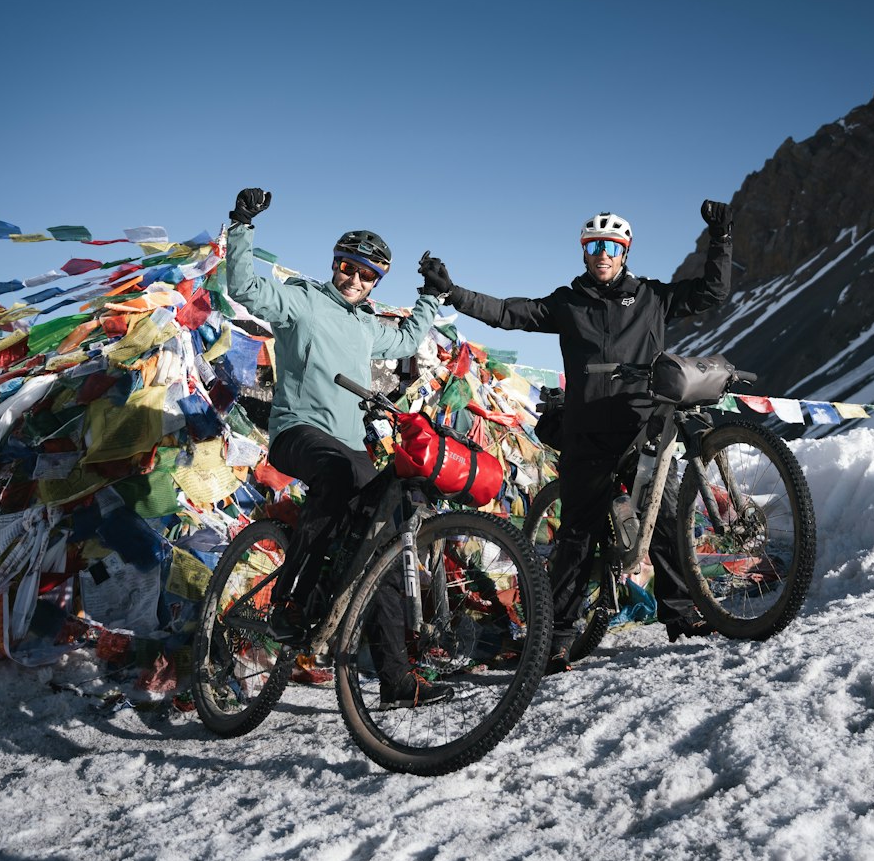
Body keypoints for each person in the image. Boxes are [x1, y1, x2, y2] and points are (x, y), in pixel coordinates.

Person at [418, 201, 733, 672]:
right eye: (593, 247)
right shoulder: (567, 302)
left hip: (641, 425)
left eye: (611, 246)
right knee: (578, 537)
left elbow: (712, 292)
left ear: (624, 252)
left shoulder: (651, 297)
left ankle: (681, 613)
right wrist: (453, 293)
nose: (602, 254)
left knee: (664, 515)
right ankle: (558, 637)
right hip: (587, 432)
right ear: (584, 253)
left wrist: (721, 239)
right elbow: (507, 312)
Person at [225, 187, 452, 708]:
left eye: (367, 275)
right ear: (335, 263)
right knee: (335, 475)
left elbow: (408, 339)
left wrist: (432, 295)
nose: (354, 280)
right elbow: (243, 285)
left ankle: (397, 682)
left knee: (385, 543)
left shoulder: (367, 326)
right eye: (347, 267)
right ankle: (288, 600)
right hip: (297, 431)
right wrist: (241, 225)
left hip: (352, 445)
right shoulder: (301, 299)